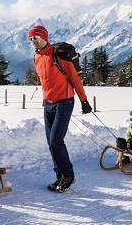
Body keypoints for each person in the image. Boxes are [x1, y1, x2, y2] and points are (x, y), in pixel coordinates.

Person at [29, 24, 92, 193]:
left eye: (35, 37)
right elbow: (45, 81)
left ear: (44, 37)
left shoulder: (58, 55)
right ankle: (59, 176)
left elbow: (74, 77)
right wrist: (45, 99)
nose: (32, 41)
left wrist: (84, 100)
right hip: (48, 103)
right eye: (30, 38)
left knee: (56, 140)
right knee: (51, 142)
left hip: (65, 102)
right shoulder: (36, 57)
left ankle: (68, 175)